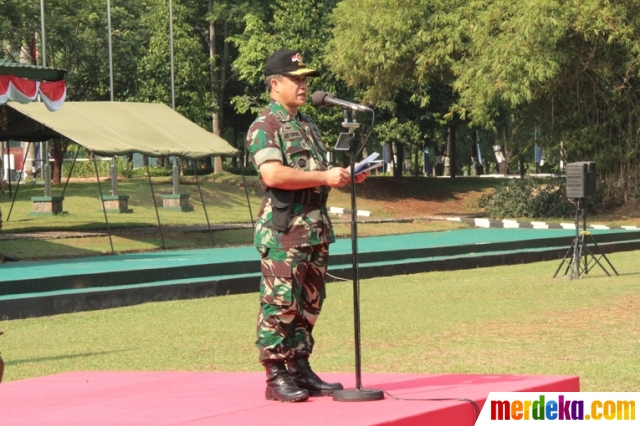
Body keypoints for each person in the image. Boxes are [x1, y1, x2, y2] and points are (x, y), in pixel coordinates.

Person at [245, 48, 367, 403]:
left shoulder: (307, 125)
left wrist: (341, 176)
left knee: (309, 303)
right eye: (296, 79)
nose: (303, 85)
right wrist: (322, 176)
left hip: (314, 228)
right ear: (274, 84)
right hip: (284, 230)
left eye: (305, 79)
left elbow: (313, 175)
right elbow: (273, 173)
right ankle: (275, 374)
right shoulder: (265, 125)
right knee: (280, 303)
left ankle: (299, 365)